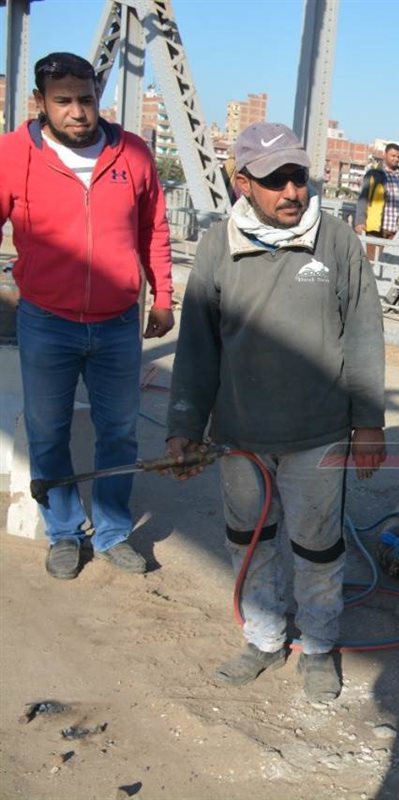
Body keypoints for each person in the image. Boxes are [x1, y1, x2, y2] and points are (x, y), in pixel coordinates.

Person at [164, 122, 386, 703]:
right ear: (243, 183)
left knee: (318, 545)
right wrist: (184, 425)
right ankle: (263, 638)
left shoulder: (335, 241)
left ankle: (318, 644)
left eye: (298, 177)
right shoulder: (218, 246)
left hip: (319, 434)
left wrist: (369, 424)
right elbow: (197, 347)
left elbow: (364, 334)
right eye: (275, 180)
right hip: (240, 434)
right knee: (250, 539)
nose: (292, 191)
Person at [0, 51, 174, 579]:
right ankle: (64, 532)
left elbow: (154, 228)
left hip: (118, 322)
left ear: (98, 96)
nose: (77, 112)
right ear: (40, 102)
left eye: (86, 99)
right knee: (48, 431)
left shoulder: (133, 153)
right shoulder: (12, 154)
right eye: (63, 101)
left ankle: (115, 530)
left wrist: (162, 296)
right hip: (46, 321)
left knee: (118, 431)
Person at [354, 142, 399, 261]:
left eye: (398, 156)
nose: (396, 159)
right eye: (393, 156)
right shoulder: (374, 174)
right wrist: (360, 221)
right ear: (385, 155)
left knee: (389, 265)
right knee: (371, 263)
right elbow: (363, 198)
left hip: (394, 231)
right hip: (375, 229)